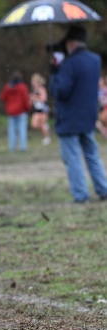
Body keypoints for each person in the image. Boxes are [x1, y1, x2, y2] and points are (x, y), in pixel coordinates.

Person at [49, 24, 107, 203]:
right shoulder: (95, 60)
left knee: (72, 157)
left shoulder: (70, 63)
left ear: (71, 43)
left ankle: (81, 195)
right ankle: (103, 189)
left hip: (69, 119)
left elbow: (61, 91)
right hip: (88, 116)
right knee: (92, 155)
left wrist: (55, 72)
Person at [0, 71, 30, 152]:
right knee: (22, 129)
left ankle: (12, 148)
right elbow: (25, 99)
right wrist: (27, 108)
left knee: (12, 131)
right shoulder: (22, 87)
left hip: (11, 112)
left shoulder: (8, 87)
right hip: (21, 111)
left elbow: (2, 97)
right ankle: (23, 147)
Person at [29, 73, 51, 145]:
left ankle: (47, 138)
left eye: (33, 81)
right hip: (36, 110)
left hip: (43, 109)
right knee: (34, 125)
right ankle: (46, 127)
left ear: (37, 81)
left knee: (42, 124)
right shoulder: (33, 90)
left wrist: (34, 97)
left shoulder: (42, 89)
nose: (32, 82)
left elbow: (43, 99)